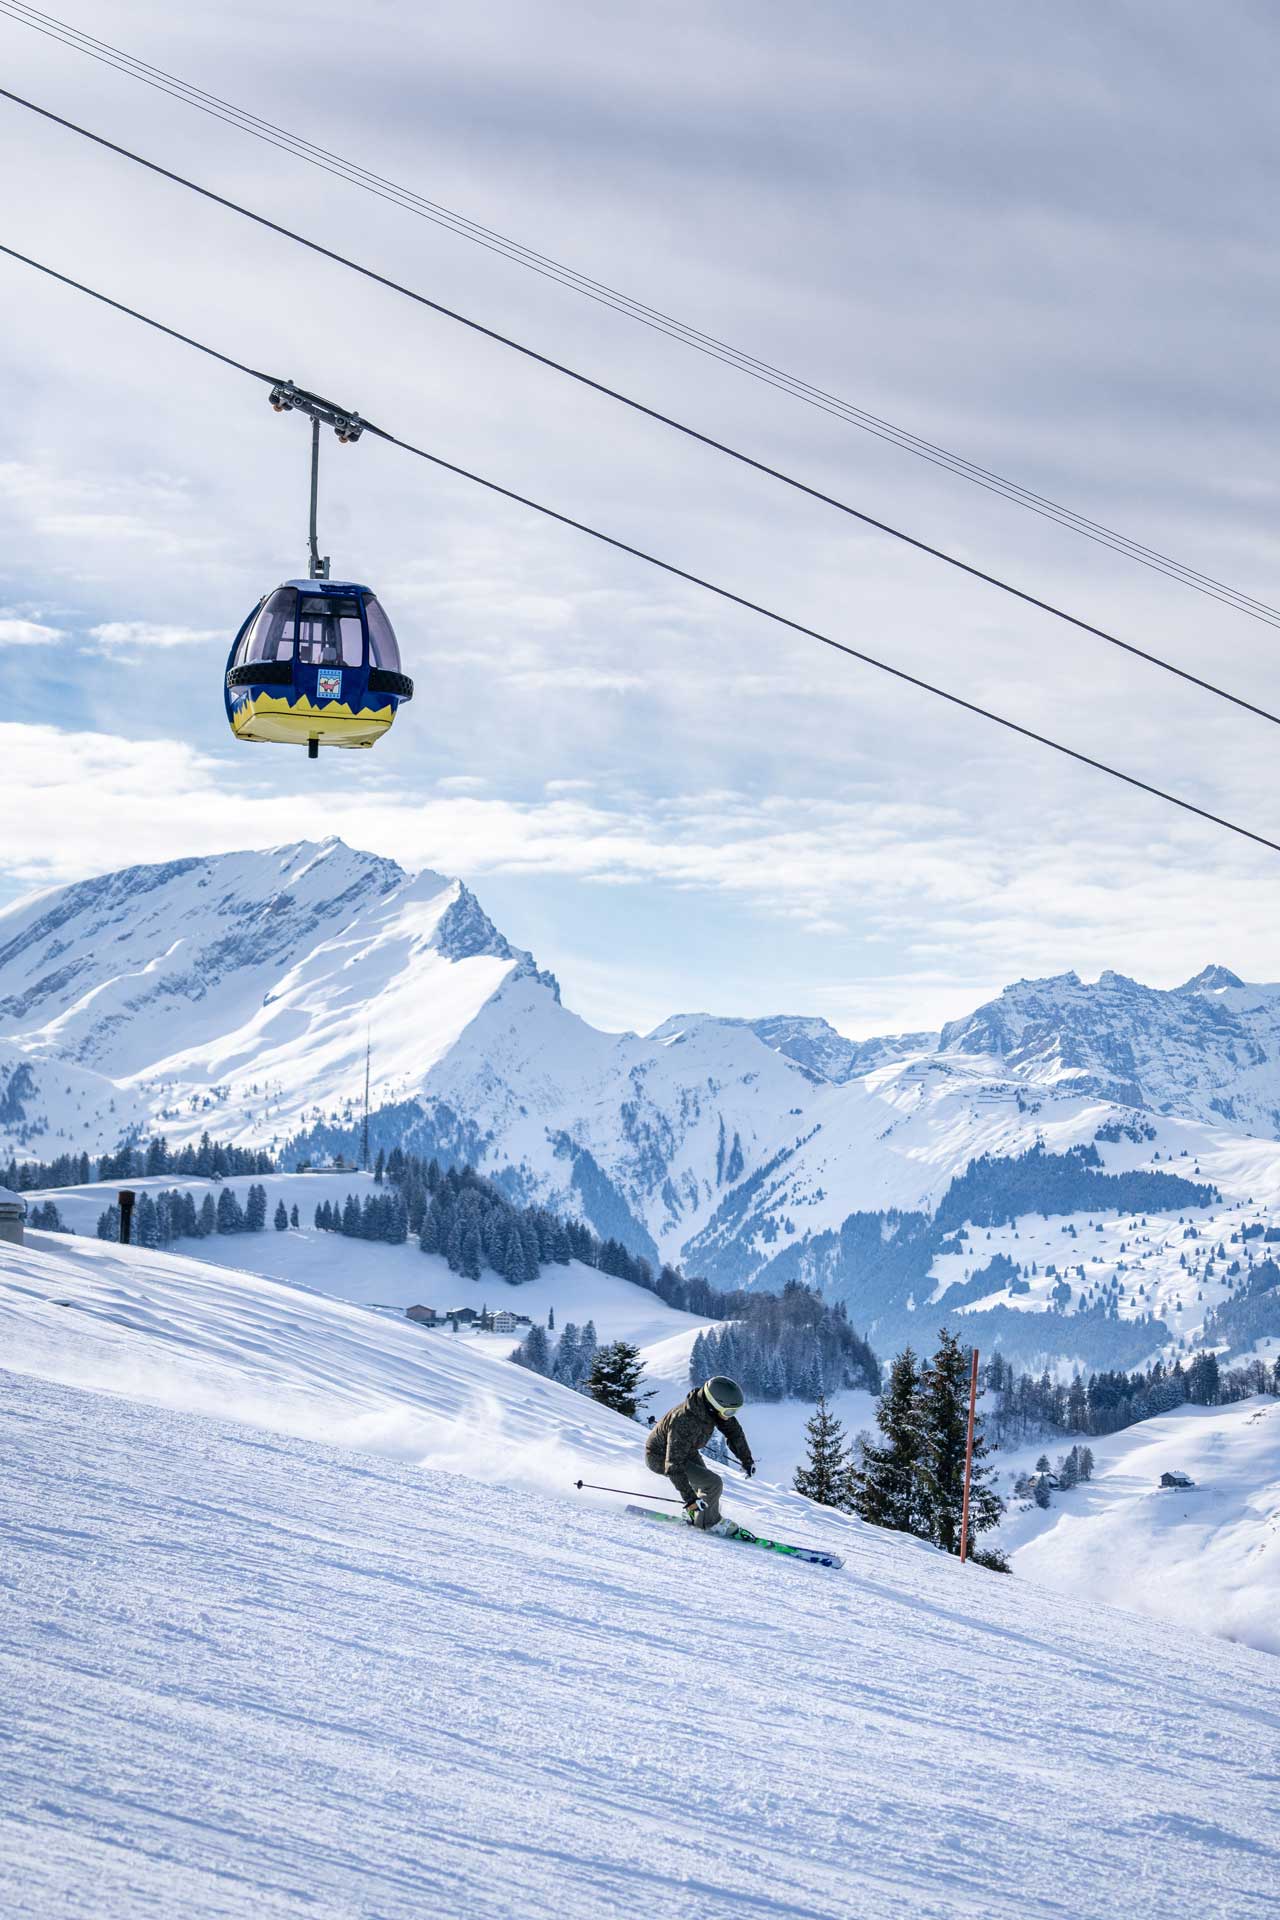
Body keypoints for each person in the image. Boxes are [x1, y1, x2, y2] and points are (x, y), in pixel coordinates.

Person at [646, 1375, 756, 1529]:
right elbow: (673, 1465)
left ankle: (697, 1515)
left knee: (704, 1483)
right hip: (660, 1456)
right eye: (729, 1412)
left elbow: (734, 1432)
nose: (730, 1416)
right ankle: (709, 1523)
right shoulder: (685, 1420)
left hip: (686, 1451)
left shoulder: (711, 1410)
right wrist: (690, 1499)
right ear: (714, 1404)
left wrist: (746, 1459)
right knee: (712, 1483)